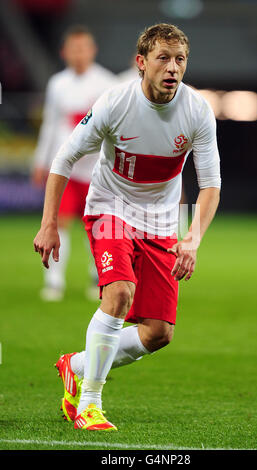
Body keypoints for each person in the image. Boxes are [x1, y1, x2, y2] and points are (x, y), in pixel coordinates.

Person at [34, 23, 221, 431]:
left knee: (158, 333)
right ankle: (90, 402)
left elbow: (210, 186)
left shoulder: (197, 111)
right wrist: (50, 223)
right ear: (141, 63)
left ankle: (76, 364)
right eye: (163, 58)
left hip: (160, 221)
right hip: (109, 207)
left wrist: (193, 237)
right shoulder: (114, 103)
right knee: (119, 294)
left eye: (180, 60)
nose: (173, 68)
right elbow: (63, 160)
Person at [31, 25, 117, 301]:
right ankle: (54, 281)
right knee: (58, 223)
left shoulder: (108, 84)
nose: (79, 54)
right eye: (74, 48)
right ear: (64, 52)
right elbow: (50, 125)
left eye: (84, 48)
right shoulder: (57, 84)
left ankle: (99, 279)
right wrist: (41, 160)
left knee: (100, 227)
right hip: (65, 168)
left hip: (98, 170)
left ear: (93, 50)